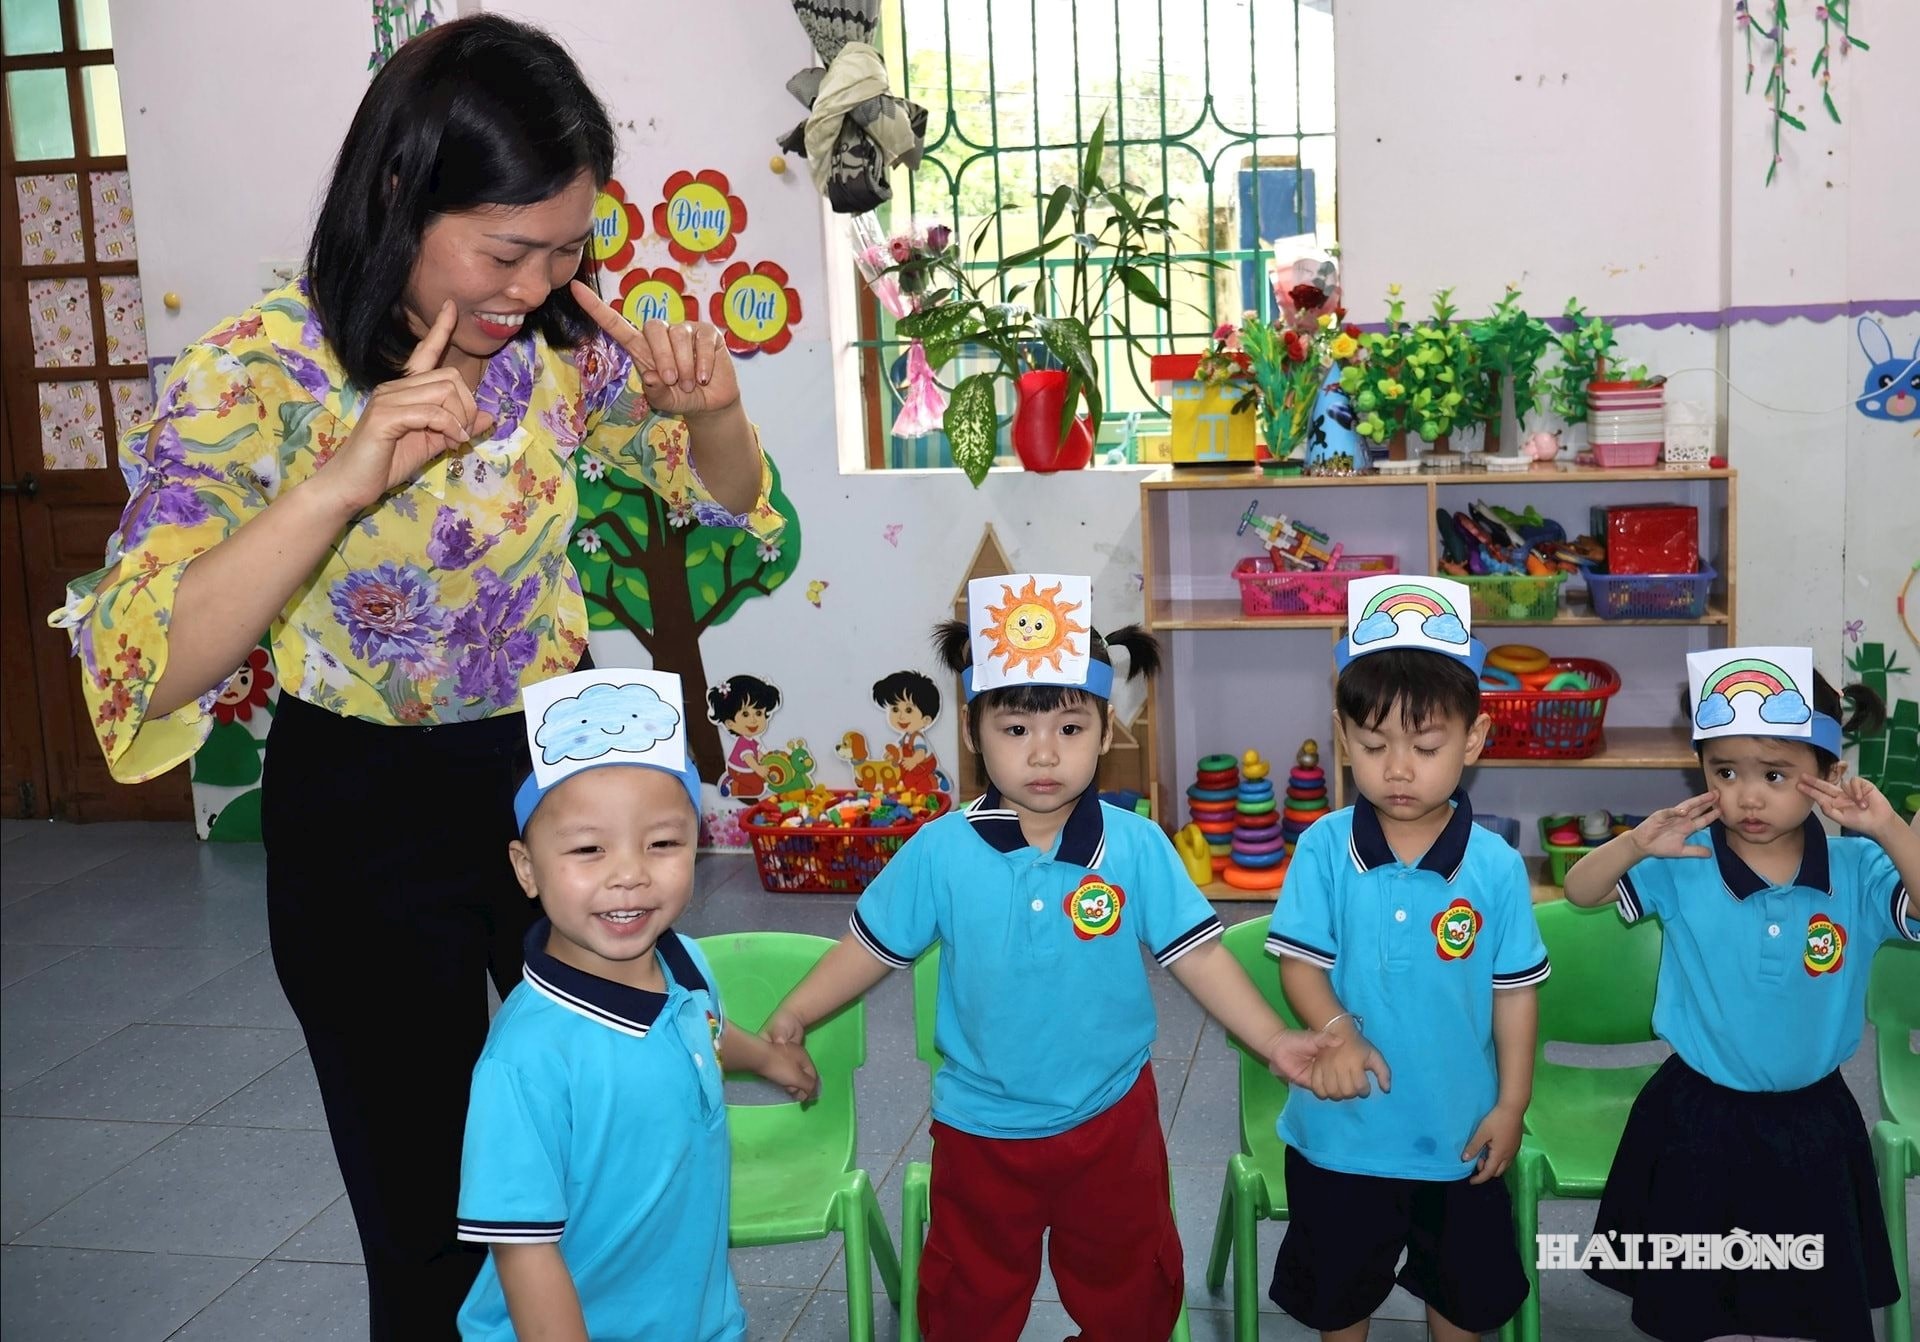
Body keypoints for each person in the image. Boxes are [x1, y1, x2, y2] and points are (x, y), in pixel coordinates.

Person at [46, 16, 782, 1337]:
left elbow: (725, 501)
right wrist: (338, 483)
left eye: (568, 248)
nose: (537, 284)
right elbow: (143, 662)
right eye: (507, 250)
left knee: (629, 1147)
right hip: (363, 802)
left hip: (562, 773)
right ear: (400, 190)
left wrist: (712, 409)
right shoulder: (257, 370)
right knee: (433, 1214)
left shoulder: (559, 343)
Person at [766, 574, 1328, 1342]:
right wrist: (795, 1012)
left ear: (1105, 730)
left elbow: (1200, 958)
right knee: (969, 1299)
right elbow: (870, 949)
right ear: (973, 733)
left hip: (1111, 1121)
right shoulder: (939, 850)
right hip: (979, 1127)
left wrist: (1274, 1040)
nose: (1043, 753)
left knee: (1129, 1291)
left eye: (1069, 727)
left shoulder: (1136, 846)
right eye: (1015, 729)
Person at [1563, 648, 1915, 1342]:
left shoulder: (1857, 869)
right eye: (1724, 772)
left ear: (1828, 775)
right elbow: (1581, 890)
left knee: (1811, 1299)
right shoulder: (1684, 859)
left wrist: (1888, 828)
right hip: (1695, 1116)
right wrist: (1636, 843)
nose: (1748, 797)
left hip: (1814, 1120)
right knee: (1692, 1302)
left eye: (1775, 775)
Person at [455, 668, 814, 1342]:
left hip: (698, 1319)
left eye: (662, 843)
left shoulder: (685, 962)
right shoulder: (526, 1062)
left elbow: (701, 1031)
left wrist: (767, 1059)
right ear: (527, 868)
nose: (630, 873)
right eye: (589, 849)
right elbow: (524, 1252)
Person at [1266, 576, 1545, 1342]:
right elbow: (1299, 966)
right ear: (1341, 736)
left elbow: (1515, 994)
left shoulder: (1495, 867)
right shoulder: (1323, 848)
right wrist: (1338, 1031)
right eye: (1373, 745)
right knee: (1340, 1302)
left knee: (1462, 1301)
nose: (1397, 769)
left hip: (1458, 1134)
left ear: (1474, 741)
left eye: (1425, 748)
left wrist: (1513, 1104)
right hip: (1340, 1135)